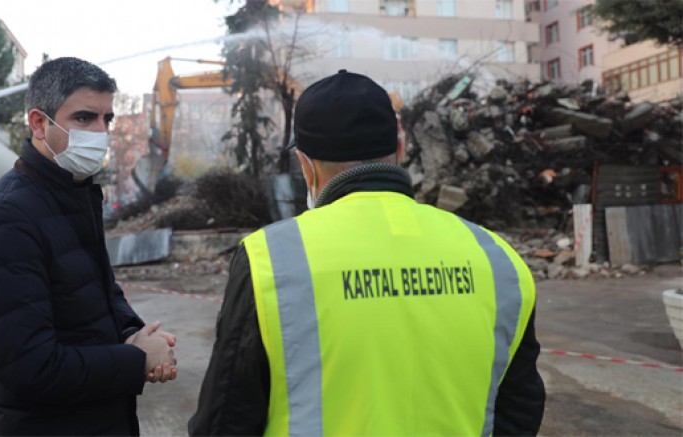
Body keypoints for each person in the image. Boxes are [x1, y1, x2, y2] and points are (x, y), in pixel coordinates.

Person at [189, 70, 545, 436]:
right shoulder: (497, 258)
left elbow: (224, 421)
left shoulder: (270, 261)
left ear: (305, 165)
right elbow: (519, 410)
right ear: (401, 148)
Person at [0, 57, 177, 435]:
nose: (100, 132)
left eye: (106, 119)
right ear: (39, 123)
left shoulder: (74, 196)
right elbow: (29, 367)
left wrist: (133, 334)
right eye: (83, 118)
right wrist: (136, 360)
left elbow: (99, 291)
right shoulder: (6, 217)